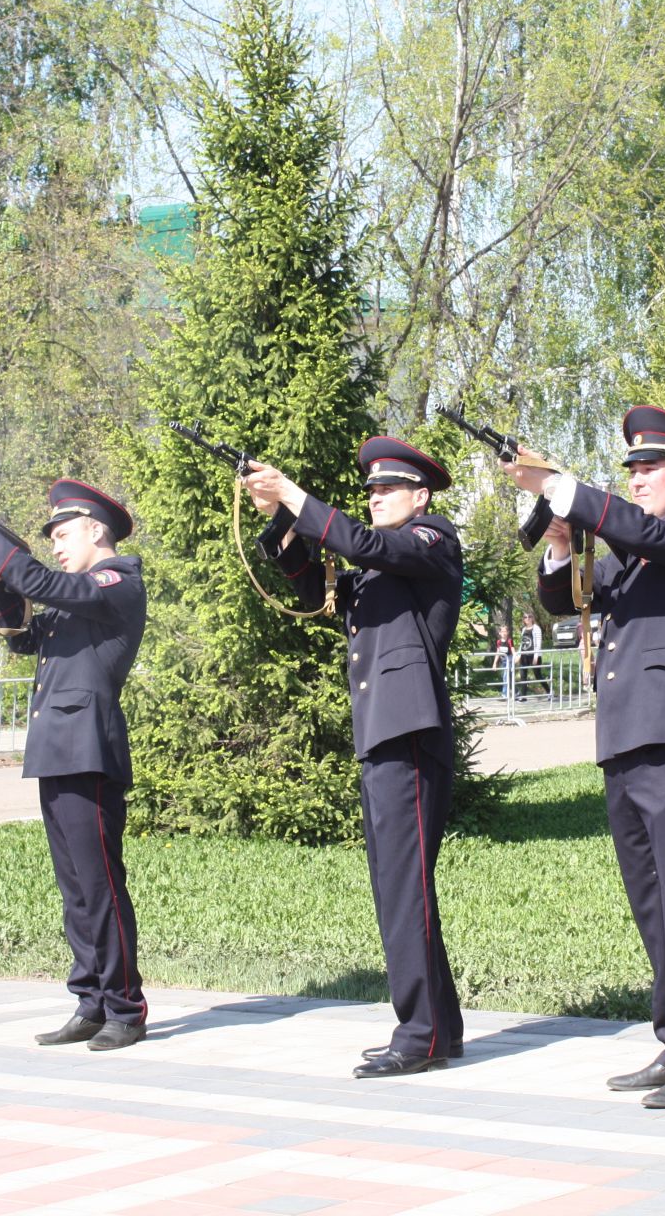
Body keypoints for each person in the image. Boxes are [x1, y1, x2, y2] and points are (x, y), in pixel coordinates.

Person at [504, 406, 665, 1109]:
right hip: (627, 742)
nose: (637, 480)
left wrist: (572, 492)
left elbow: (647, 532)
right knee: (651, 901)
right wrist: (556, 537)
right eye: (631, 470)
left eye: (650, 468)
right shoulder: (634, 556)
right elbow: (562, 597)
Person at [244, 437, 465, 1079]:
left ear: (419, 496)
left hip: (410, 732)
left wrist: (294, 493)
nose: (373, 499)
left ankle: (420, 1031)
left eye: (385, 490)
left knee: (403, 884)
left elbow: (368, 546)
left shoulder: (432, 539)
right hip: (383, 731)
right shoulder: (378, 563)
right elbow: (311, 583)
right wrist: (280, 518)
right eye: (368, 491)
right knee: (400, 884)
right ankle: (438, 1028)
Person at [0, 477, 150, 1052]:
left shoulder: (117, 580)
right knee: (75, 888)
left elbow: (47, 583)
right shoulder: (73, 595)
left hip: (89, 747)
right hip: (57, 747)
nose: (57, 543)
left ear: (97, 530)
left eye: (64, 533)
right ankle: (91, 1000)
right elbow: (20, 638)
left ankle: (125, 1008)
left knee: (101, 885)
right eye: (51, 536)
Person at [516, 611, 549, 696]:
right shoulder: (523, 629)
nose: (527, 619)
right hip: (524, 656)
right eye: (525, 617)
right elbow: (522, 643)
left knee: (538, 675)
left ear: (532, 618)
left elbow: (538, 643)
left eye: (529, 617)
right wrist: (519, 655)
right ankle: (523, 696)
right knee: (523, 676)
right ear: (523, 619)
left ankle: (549, 692)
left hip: (533, 655)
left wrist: (536, 656)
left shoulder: (536, 628)